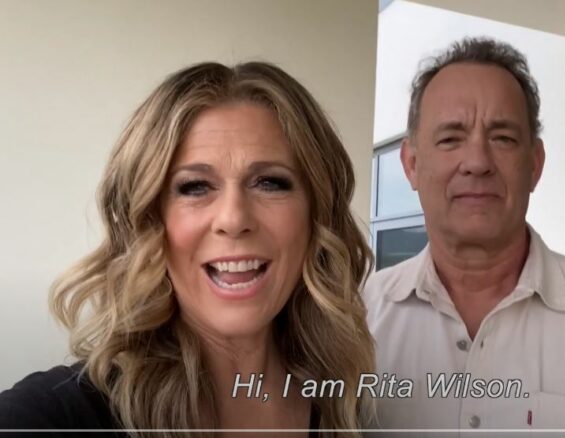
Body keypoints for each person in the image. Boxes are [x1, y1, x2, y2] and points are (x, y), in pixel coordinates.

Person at [0, 61, 374, 437]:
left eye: (270, 182)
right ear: (150, 218)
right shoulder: (50, 418)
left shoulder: (339, 404)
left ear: (315, 215)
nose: (233, 218)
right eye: (194, 186)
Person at [364, 37, 565, 436]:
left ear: (535, 164)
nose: (477, 162)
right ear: (411, 164)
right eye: (451, 138)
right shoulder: (356, 320)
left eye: (503, 138)